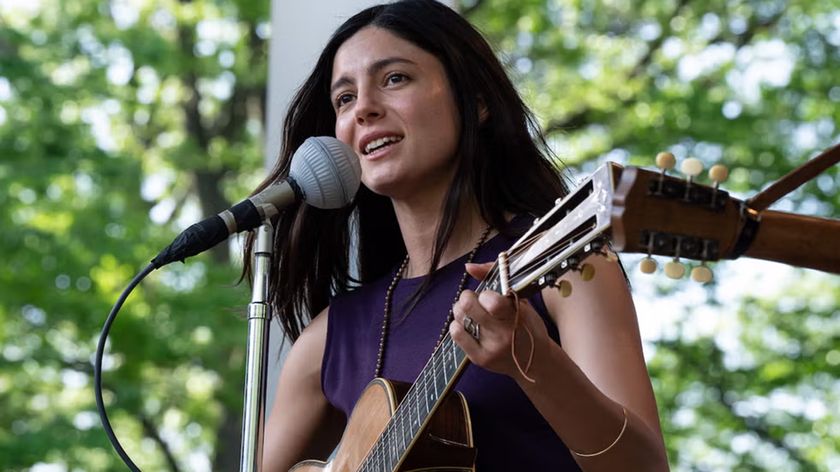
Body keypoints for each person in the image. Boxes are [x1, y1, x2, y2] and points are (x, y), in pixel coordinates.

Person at [247, 1, 668, 470]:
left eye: (394, 78)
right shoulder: (329, 339)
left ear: (477, 101)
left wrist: (536, 363)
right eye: (344, 98)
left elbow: (645, 468)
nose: (363, 108)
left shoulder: (563, 263)